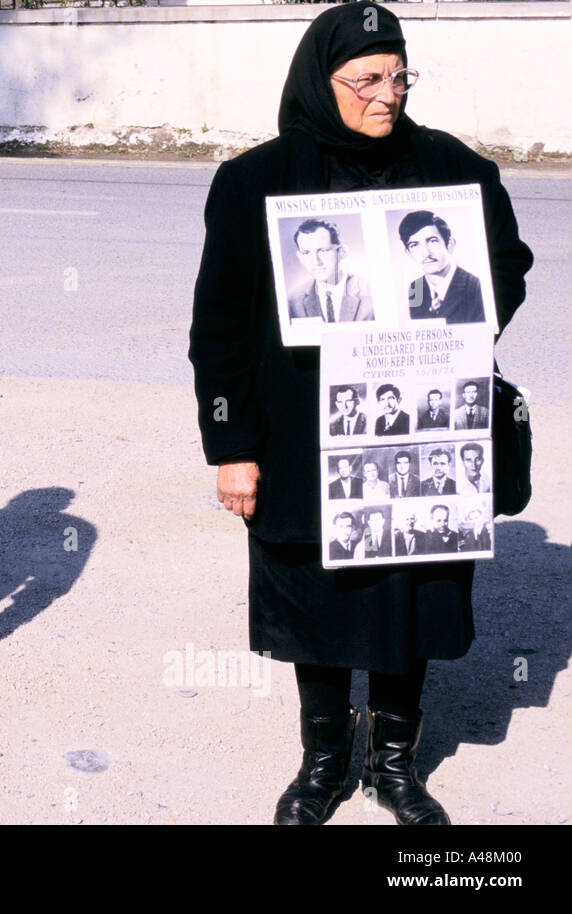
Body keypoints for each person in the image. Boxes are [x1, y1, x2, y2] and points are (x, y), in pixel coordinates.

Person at [190, 2, 532, 827]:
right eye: (368, 79)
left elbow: (509, 266)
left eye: (400, 75)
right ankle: (322, 762)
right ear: (323, 79)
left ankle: (393, 764)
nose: (389, 94)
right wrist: (231, 444)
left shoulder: (454, 168)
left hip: (417, 430)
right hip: (301, 442)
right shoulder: (253, 182)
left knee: (408, 591)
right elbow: (219, 326)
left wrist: (461, 314)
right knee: (315, 595)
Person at [400, 210, 485, 324]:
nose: (426, 253)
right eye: (414, 245)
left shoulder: (476, 287)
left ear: (450, 244)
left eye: (432, 241)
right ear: (408, 253)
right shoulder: (416, 288)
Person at [286, 219, 374, 323]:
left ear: (342, 252)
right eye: (306, 253)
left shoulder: (371, 292)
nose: (315, 261)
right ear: (300, 257)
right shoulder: (293, 300)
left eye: (323, 251)